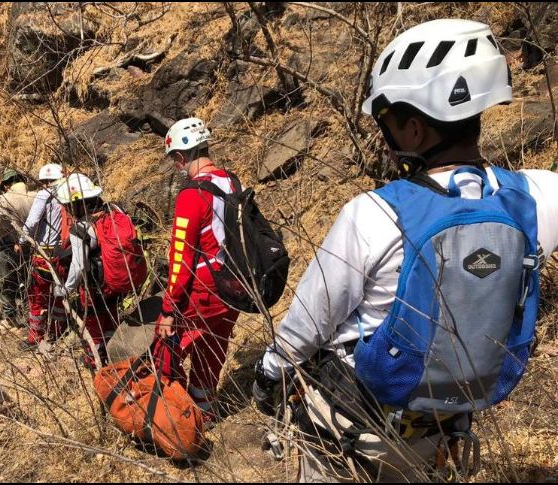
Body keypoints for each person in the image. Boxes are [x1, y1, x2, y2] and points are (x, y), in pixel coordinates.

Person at [252, 19, 558, 481]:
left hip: (358, 422)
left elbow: (311, 320)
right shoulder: (535, 196)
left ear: (414, 130)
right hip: (445, 425)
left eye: (389, 121)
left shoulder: (373, 213)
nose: (386, 134)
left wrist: (270, 371)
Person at [155, 117, 240, 426]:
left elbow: (180, 260)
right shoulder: (231, 181)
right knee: (213, 352)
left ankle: (170, 416)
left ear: (180, 157)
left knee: (167, 349)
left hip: (201, 293)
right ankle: (203, 413)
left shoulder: (192, 195)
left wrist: (167, 308)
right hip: (233, 287)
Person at [54, 173, 138, 369]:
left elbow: (79, 265)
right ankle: (116, 355)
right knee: (111, 317)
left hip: (93, 286)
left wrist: (66, 288)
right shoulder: (114, 212)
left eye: (68, 206)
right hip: (113, 280)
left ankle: (96, 361)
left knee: (93, 324)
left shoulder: (81, 228)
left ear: (77, 204)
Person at [16, 163, 69, 351]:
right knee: (59, 293)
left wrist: (21, 241)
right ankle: (57, 331)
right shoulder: (70, 193)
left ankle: (35, 337)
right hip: (65, 252)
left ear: (45, 180)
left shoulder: (44, 195)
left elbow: (32, 221)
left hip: (44, 253)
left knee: (37, 295)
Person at [0, 168, 37, 323]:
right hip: (37, 247)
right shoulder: (36, 196)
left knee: (1, 280)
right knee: (32, 280)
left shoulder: (3, 199)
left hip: (11, 246)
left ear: (7, 185)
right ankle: (34, 313)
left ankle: (11, 318)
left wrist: (0, 237)